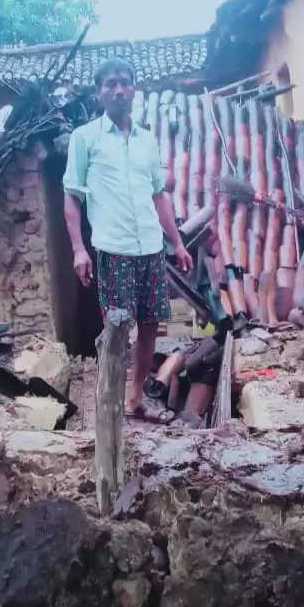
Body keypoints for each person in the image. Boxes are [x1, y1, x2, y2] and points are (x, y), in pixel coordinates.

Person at [63, 57, 193, 424]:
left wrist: (178, 243)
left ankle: (135, 399)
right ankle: (111, 404)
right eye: (110, 84)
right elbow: (72, 196)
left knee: (151, 324)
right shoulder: (84, 138)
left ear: (134, 89)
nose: (119, 89)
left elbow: (159, 195)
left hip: (150, 248)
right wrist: (77, 248)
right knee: (117, 330)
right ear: (99, 92)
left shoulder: (147, 140)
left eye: (125, 82)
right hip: (113, 248)